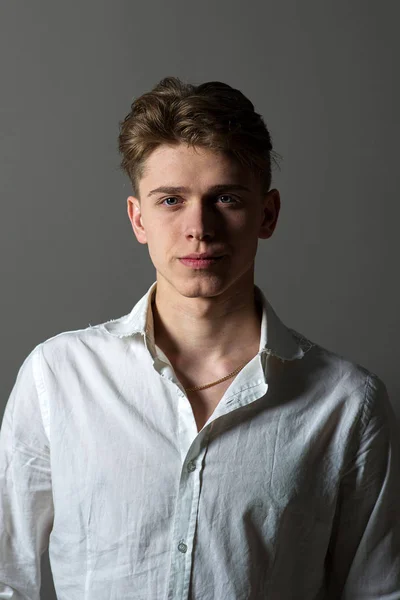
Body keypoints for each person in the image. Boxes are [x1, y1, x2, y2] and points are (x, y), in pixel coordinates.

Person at [1, 76, 399, 600]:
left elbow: (376, 592)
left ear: (268, 213)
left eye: (226, 198)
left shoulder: (348, 403)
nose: (200, 227)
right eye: (171, 200)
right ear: (137, 217)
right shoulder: (58, 377)